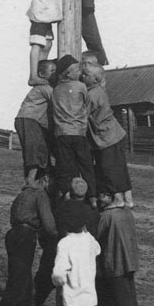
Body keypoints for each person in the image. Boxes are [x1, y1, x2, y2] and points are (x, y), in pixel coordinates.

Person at [0, 172, 57, 306]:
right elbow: (50, 226)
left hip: (13, 235)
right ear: (45, 179)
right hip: (25, 237)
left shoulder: (23, 194)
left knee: (21, 282)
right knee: (19, 284)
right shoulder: (40, 195)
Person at [96, 190, 147, 306]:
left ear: (109, 197)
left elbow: (97, 238)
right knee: (131, 303)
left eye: (101, 195)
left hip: (115, 265)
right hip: (129, 263)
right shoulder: (126, 213)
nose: (98, 198)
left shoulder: (107, 216)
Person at [82, 61, 134, 207]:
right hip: (116, 133)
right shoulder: (99, 90)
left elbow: (82, 116)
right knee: (120, 167)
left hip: (107, 137)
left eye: (85, 74)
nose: (82, 76)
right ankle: (128, 198)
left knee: (108, 168)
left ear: (95, 80)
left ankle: (118, 199)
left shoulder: (91, 95)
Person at [51, 54, 96, 202]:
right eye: (77, 70)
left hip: (62, 133)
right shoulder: (81, 86)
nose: (80, 72)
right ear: (68, 73)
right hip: (78, 133)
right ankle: (92, 196)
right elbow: (87, 105)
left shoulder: (56, 90)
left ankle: (66, 194)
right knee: (86, 165)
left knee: (65, 167)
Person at [14, 58, 57, 183]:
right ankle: (31, 179)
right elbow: (58, 101)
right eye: (52, 70)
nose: (54, 73)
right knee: (35, 148)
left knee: (39, 147)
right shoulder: (45, 87)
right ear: (42, 75)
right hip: (28, 119)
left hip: (29, 119)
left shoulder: (44, 87)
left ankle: (38, 177)